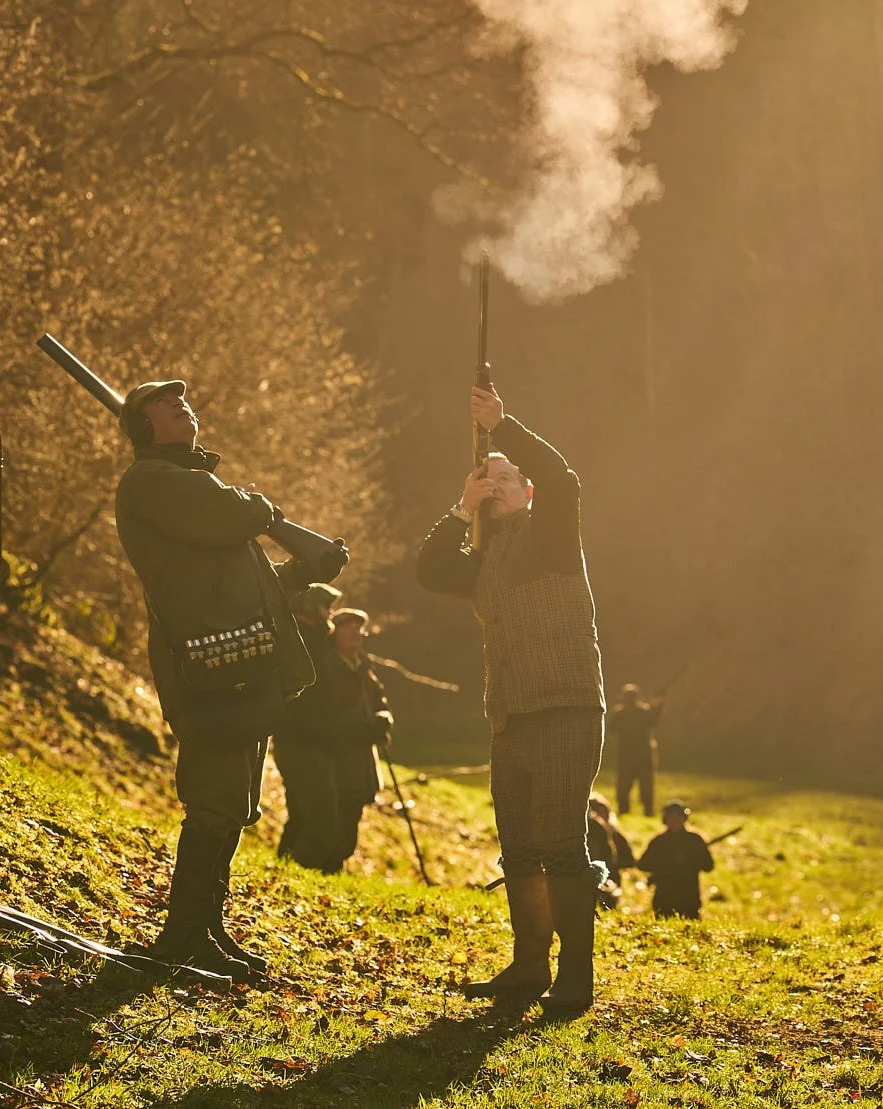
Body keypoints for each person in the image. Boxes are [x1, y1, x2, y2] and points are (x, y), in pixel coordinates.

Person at [113, 379, 345, 981]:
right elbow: (228, 520)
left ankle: (206, 929)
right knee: (212, 803)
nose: (182, 407)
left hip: (239, 665)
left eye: (183, 402)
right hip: (207, 670)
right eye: (165, 405)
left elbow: (244, 583)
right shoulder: (154, 483)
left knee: (233, 805)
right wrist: (266, 509)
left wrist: (301, 569)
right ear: (141, 430)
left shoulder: (191, 486)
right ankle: (182, 935)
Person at [416, 384, 605, 1016]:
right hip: (510, 717)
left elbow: (564, 476)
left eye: (505, 476)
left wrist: (503, 427)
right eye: (484, 476)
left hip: (566, 709)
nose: (494, 482)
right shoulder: (481, 557)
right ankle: (529, 969)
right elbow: (427, 571)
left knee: (560, 847)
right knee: (520, 849)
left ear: (527, 491)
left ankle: (574, 978)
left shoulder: (551, 532)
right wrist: (457, 507)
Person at [275, 595, 393, 873]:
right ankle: (293, 871)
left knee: (346, 829)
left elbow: (378, 701)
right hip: (332, 757)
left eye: (358, 628)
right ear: (334, 631)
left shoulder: (364, 667)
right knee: (315, 821)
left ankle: (325, 873)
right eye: (346, 626)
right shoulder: (323, 667)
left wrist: (383, 719)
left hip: (360, 762)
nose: (354, 633)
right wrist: (365, 728)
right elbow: (324, 716)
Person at [635, 801, 714, 920]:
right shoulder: (658, 842)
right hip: (664, 898)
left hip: (689, 898)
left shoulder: (695, 840)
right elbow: (642, 865)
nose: (675, 820)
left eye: (678, 817)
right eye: (671, 817)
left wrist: (694, 858)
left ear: (684, 818)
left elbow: (708, 866)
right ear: (665, 819)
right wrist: (664, 863)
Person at [608, 684, 662, 817]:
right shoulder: (644, 711)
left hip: (625, 755)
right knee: (646, 784)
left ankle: (623, 808)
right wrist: (657, 708)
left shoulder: (620, 713)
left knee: (624, 784)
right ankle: (647, 810)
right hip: (644, 755)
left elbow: (611, 728)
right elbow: (654, 722)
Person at [586, 794, 636, 910]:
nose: (600, 817)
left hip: (608, 880)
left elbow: (628, 861)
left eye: (603, 813)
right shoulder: (584, 833)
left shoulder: (616, 836)